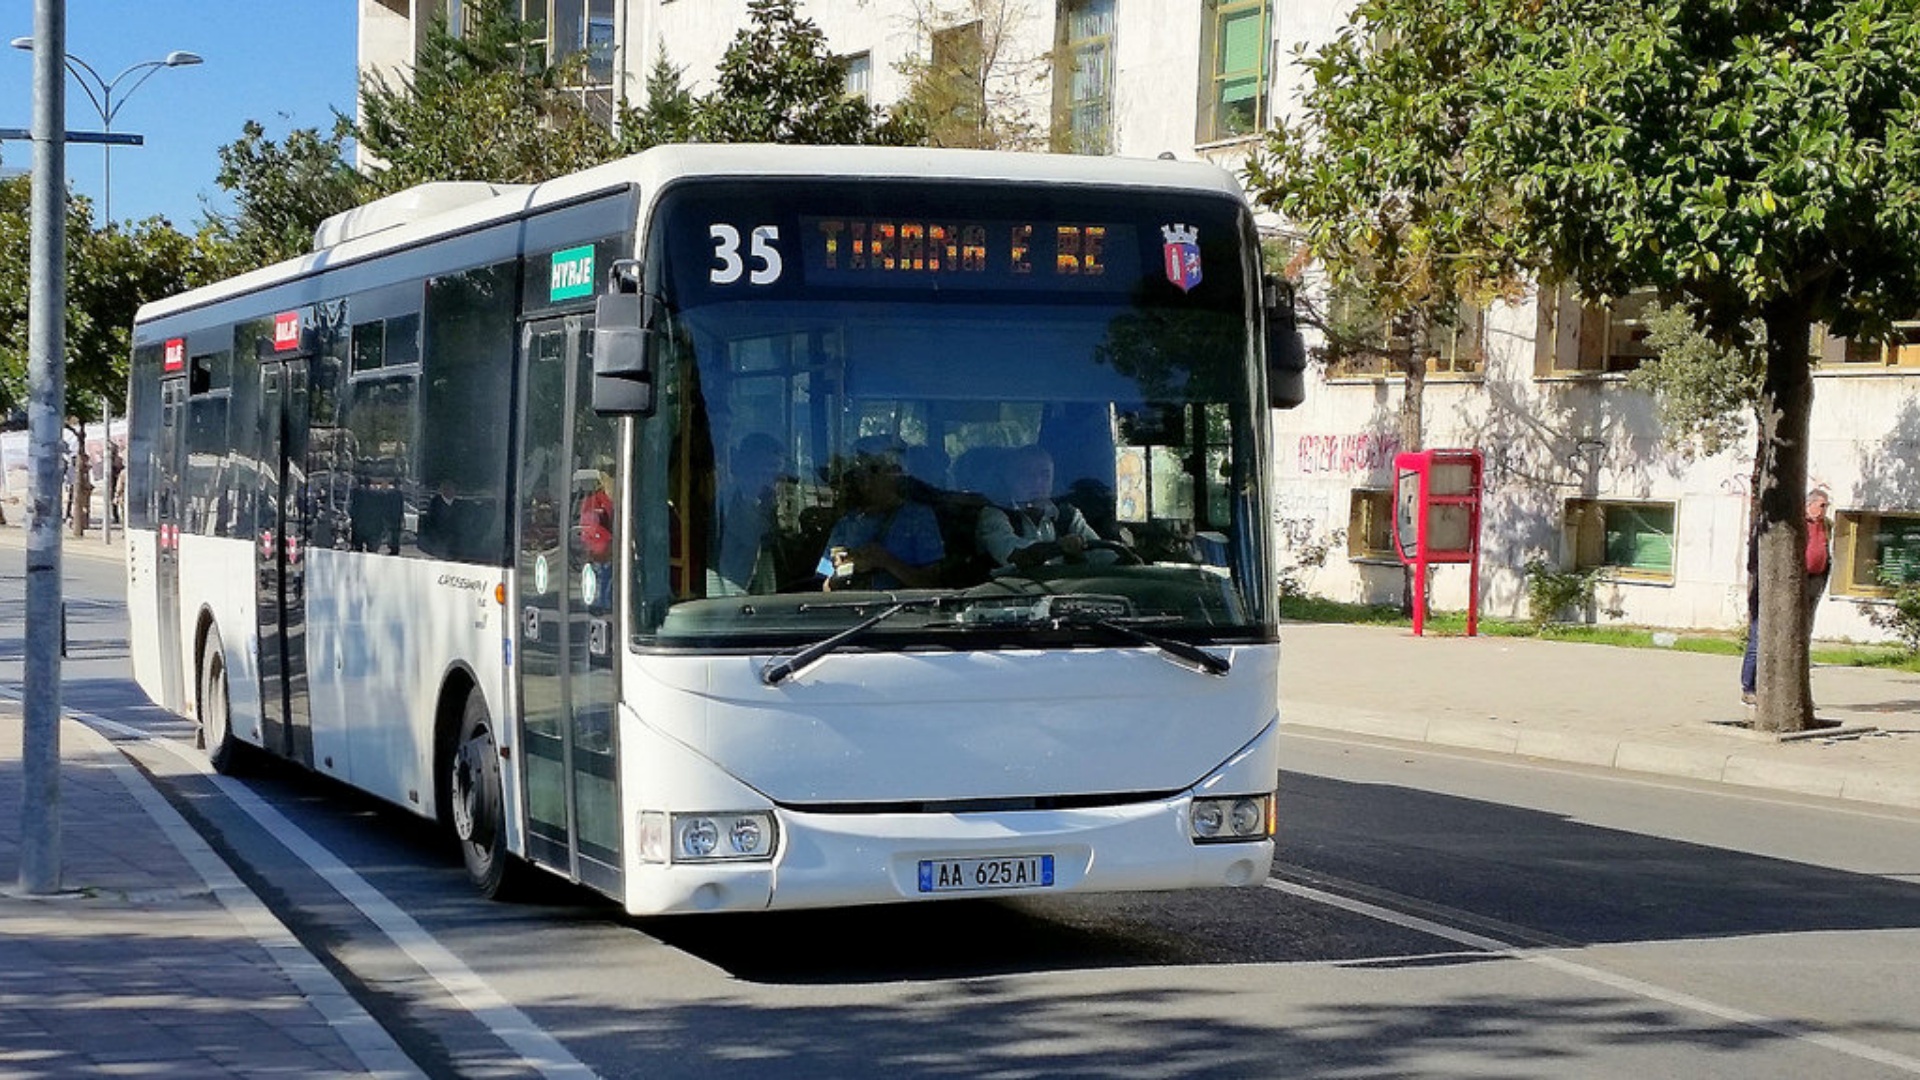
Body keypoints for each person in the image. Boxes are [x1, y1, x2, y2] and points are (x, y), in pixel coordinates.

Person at [1740, 488, 1832, 705]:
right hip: (1777, 585)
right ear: (1809, 504)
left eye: (1826, 506)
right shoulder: (1789, 522)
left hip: (1813, 582)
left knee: (1800, 636)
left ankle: (1792, 691)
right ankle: (1749, 687)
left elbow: (1825, 550)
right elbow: (1756, 559)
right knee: (1760, 635)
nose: (1825, 510)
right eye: (1822, 505)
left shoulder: (1825, 524)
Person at [816, 438, 945, 591]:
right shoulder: (846, 523)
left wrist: (885, 561)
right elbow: (823, 588)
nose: (864, 477)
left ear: (895, 473)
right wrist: (842, 571)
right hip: (851, 611)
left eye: (873, 469)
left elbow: (934, 585)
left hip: (904, 611)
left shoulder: (918, 518)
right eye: (859, 470)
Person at [975, 444, 1105, 571]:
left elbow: (1103, 554)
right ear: (1010, 480)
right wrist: (1060, 547)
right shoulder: (993, 515)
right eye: (1027, 475)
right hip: (1010, 591)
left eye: (1045, 475)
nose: (1037, 483)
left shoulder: (1067, 515)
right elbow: (1016, 555)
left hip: (1068, 590)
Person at [713, 433, 786, 595]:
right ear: (747, 468)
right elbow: (749, 540)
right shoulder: (725, 505)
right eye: (765, 472)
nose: (772, 483)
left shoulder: (764, 506)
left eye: (776, 475)